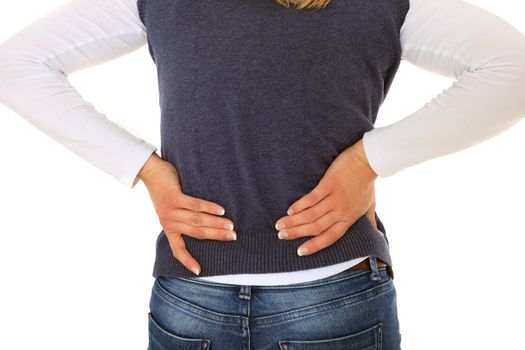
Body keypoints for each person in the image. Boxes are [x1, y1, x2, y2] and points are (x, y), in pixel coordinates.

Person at [1, 0, 524, 348]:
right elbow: (513, 67)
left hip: (195, 295)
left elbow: (17, 63)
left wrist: (142, 168)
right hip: (330, 291)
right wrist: (370, 160)